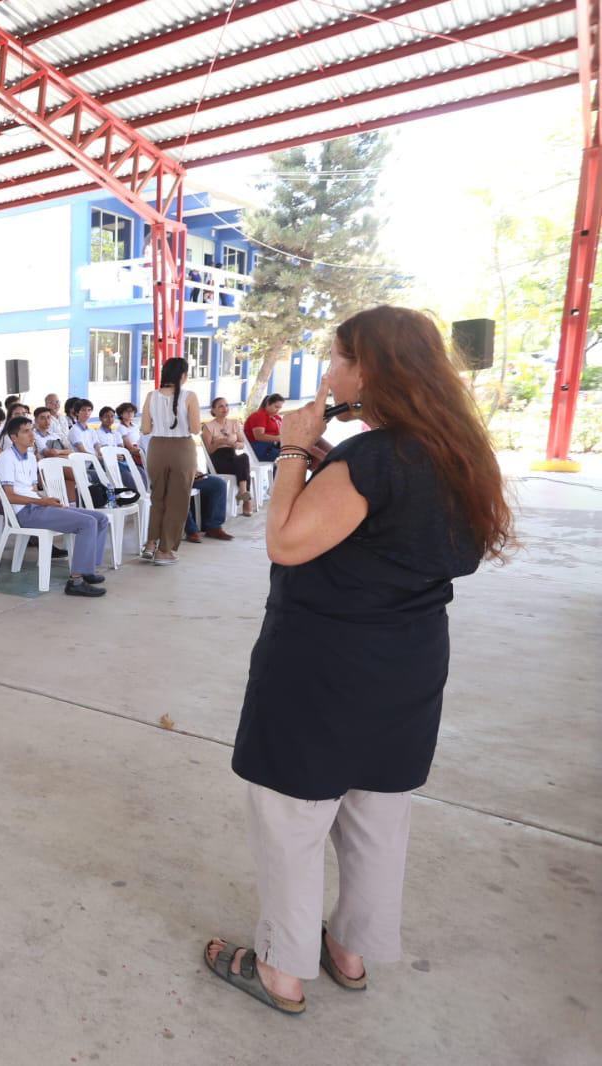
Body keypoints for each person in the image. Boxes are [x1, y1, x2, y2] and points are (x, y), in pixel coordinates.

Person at [204, 306, 516, 1017]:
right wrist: (319, 467)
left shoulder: (376, 457)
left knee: (292, 813)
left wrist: (290, 453)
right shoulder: (453, 449)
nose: (326, 370)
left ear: (367, 368)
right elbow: (380, 536)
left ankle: (281, 970)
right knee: (377, 811)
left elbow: (286, 542)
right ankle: (349, 950)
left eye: (335, 357)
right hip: (406, 660)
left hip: (326, 663)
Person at [0, 416, 109, 598]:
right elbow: (8, 495)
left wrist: (46, 499)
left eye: (31, 430)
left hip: (36, 505)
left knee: (100, 519)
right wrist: (42, 502)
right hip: (24, 513)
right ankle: (75, 582)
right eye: (26, 431)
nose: (31, 434)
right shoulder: (6, 458)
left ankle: (87, 569)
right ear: (13, 437)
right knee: (87, 523)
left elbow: (31, 490)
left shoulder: (30, 457)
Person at [139, 357, 200, 566]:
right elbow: (195, 429)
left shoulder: (151, 396)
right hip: (182, 448)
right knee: (177, 501)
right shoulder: (190, 396)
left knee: (158, 498)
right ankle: (164, 550)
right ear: (183, 375)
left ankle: (150, 543)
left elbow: (145, 429)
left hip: (156, 448)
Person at [202, 397, 255, 514]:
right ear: (213, 410)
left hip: (232, 455)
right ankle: (246, 501)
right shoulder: (208, 426)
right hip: (217, 458)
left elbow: (242, 443)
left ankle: (242, 492)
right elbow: (209, 450)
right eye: (220, 406)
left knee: (243, 458)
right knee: (243, 466)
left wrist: (236, 444)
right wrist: (220, 442)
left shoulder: (234, 423)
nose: (225, 408)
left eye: (226, 405)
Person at [245, 394, 285, 462]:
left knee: (298, 453)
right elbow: (259, 436)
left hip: (274, 446)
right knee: (290, 456)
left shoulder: (276, 417)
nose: (278, 410)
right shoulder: (259, 416)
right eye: (276, 407)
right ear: (268, 404)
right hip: (261, 449)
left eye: (280, 408)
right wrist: (280, 438)